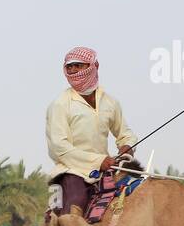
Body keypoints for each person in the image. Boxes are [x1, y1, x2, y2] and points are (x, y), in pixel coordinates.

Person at [45, 46, 136, 217]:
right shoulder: (60, 104)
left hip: (106, 169)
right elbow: (60, 148)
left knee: (136, 193)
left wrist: (127, 146)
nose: (73, 71)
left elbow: (125, 133)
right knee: (73, 213)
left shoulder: (110, 102)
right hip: (71, 171)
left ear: (94, 66)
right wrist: (98, 161)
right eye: (69, 67)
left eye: (78, 66)